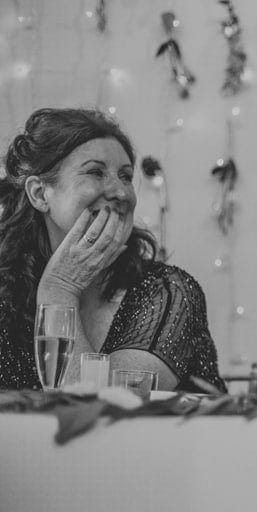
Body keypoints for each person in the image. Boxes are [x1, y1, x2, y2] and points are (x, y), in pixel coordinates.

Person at [0, 108, 226, 392]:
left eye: (125, 176)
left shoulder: (167, 291)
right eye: (96, 172)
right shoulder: (5, 296)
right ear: (39, 193)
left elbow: (108, 415)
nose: (120, 192)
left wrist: (59, 291)